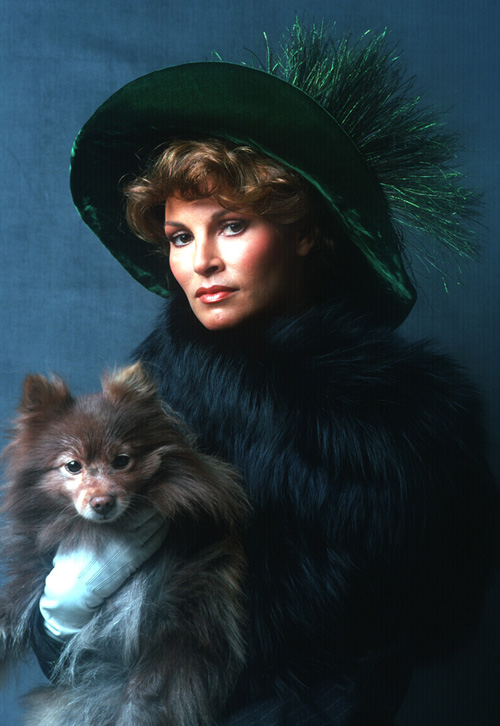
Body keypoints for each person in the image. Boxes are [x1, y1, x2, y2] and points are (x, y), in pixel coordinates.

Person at [31, 23, 497, 725]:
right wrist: (61, 616)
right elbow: (71, 664)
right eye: (181, 236)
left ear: (307, 231)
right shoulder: (145, 407)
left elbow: (383, 656)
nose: (201, 263)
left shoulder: (398, 433)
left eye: (233, 226)